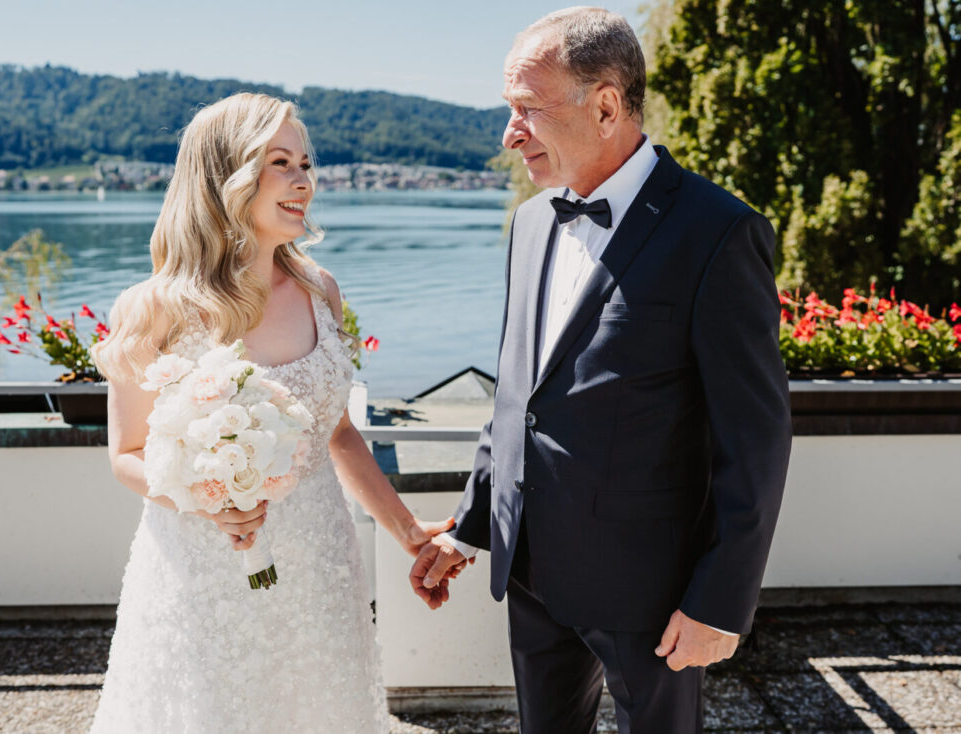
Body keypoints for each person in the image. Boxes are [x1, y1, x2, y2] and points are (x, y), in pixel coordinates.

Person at [410, 8, 792, 732]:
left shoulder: (717, 233)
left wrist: (720, 601)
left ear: (608, 105)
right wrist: (471, 526)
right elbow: (518, 394)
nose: (509, 133)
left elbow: (756, 441)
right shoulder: (530, 223)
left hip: (651, 588)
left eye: (528, 109)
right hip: (529, 573)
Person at [89, 92, 453, 733]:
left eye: (305, 163)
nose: (303, 181)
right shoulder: (154, 308)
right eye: (279, 162)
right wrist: (205, 499)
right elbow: (127, 455)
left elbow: (337, 433)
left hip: (319, 562)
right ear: (226, 175)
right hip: (204, 567)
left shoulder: (321, 291)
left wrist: (406, 532)